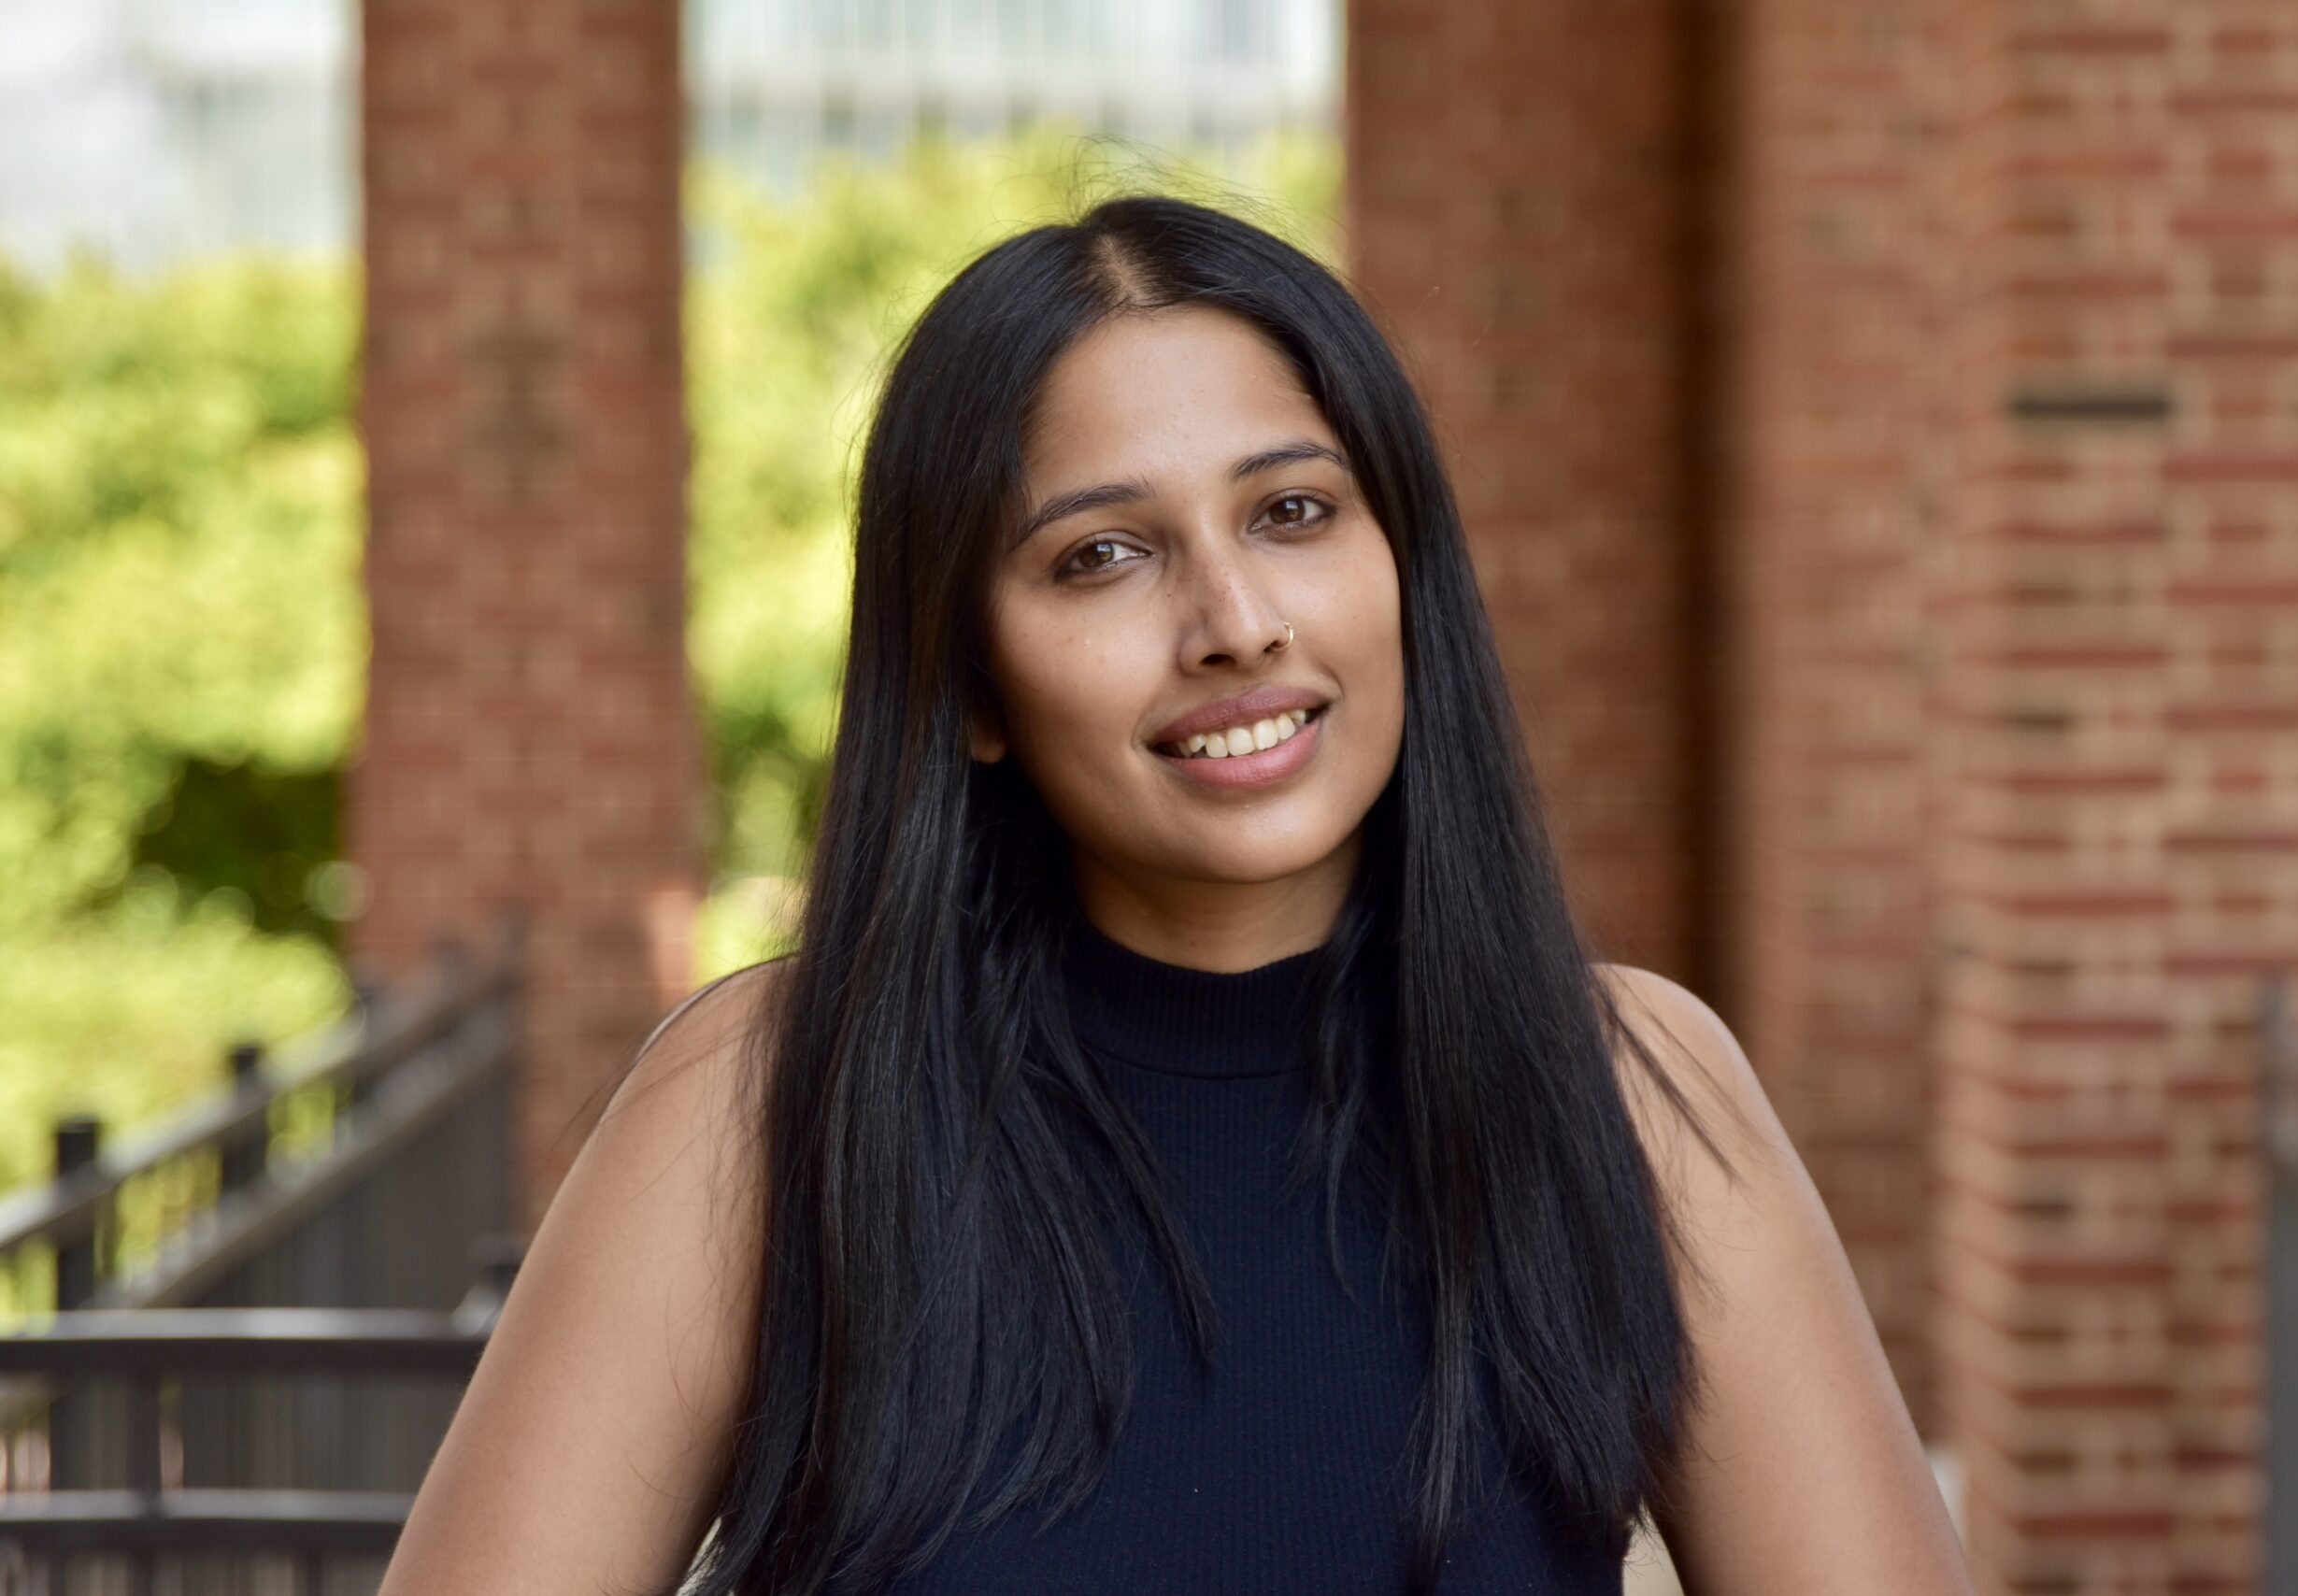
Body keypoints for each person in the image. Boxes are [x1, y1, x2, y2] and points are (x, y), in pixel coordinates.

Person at [375, 194, 1971, 1596]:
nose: (1233, 622)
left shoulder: (1632, 1095)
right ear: (971, 686)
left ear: (1402, 566)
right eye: (1101, 557)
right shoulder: (769, 1103)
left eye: (1291, 513)